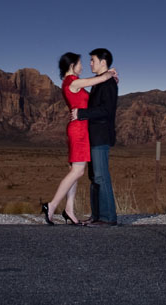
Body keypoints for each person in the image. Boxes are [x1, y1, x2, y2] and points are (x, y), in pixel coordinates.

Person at [42, 52, 118, 226]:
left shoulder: (73, 82)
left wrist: (109, 75)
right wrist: (110, 73)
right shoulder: (73, 82)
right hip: (79, 130)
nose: (83, 67)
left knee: (75, 171)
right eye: (80, 64)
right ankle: (51, 205)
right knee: (78, 172)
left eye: (90, 61)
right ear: (72, 66)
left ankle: (69, 209)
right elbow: (95, 80)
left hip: (83, 130)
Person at [71, 48, 118, 226]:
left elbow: (106, 110)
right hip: (93, 137)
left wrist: (81, 113)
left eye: (92, 60)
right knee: (94, 177)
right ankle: (97, 216)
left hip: (101, 136)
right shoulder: (100, 82)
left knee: (101, 176)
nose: (90, 63)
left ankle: (108, 218)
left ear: (103, 62)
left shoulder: (109, 84)